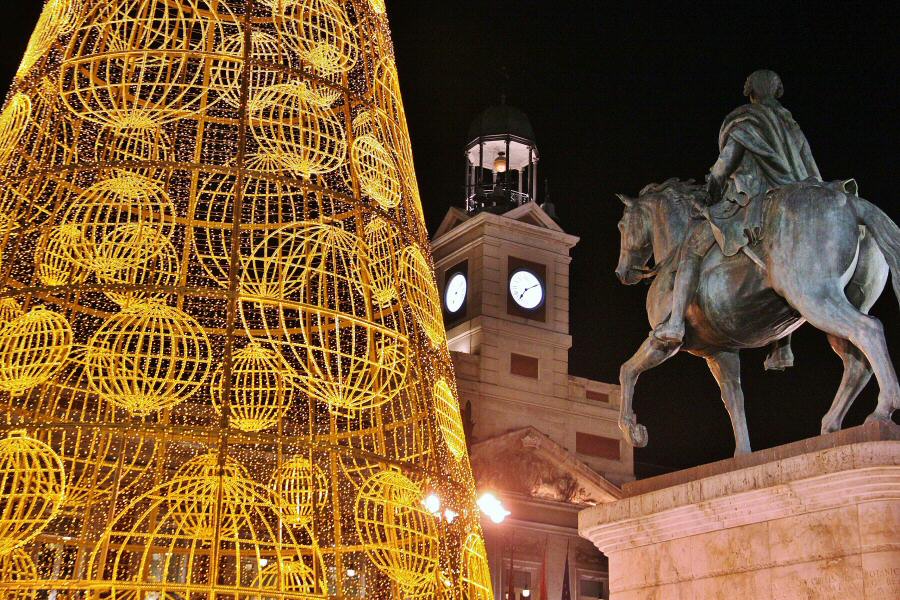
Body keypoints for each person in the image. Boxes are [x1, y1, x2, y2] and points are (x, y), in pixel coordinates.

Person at [653, 70, 821, 346]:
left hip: (750, 200)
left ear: (750, 92)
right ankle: (783, 347)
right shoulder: (791, 125)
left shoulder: (746, 121)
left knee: (692, 249)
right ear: (777, 91)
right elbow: (812, 170)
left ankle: (673, 324)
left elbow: (725, 164)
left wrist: (710, 193)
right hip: (794, 196)